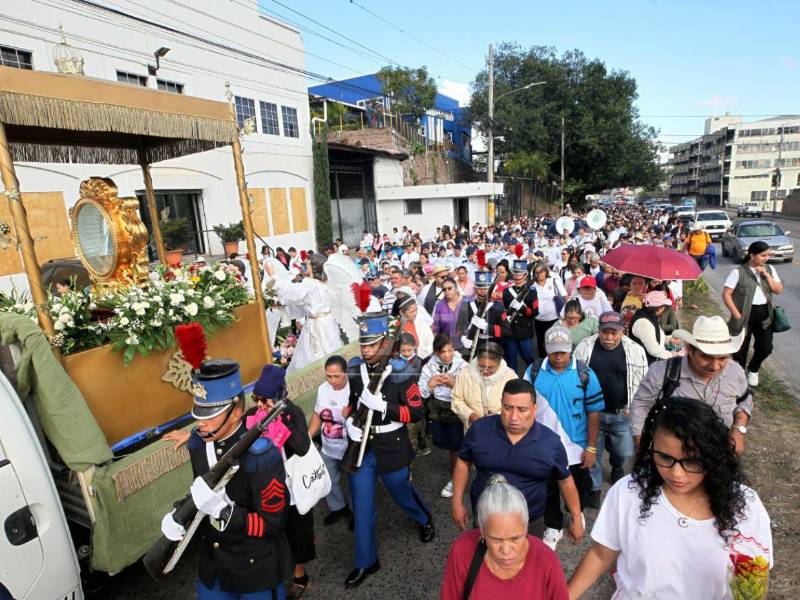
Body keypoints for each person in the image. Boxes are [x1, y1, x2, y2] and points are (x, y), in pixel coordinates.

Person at [568, 398, 773, 599]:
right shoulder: (629, 492)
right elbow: (602, 554)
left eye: (691, 461)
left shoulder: (745, 506)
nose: (677, 474)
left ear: (714, 455)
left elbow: (755, 577)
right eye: (665, 458)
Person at [159, 356, 292, 599]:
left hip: (255, 564)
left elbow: (274, 523)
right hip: (215, 561)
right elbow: (202, 490)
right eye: (199, 415)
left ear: (236, 413)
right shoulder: (199, 444)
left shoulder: (260, 454)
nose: (201, 423)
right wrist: (180, 514)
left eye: (210, 416)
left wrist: (225, 512)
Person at [343, 312, 434, 588]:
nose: (367, 350)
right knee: (361, 505)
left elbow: (417, 412)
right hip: (363, 447)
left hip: (392, 445)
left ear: (384, 342)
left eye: (372, 344)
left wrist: (386, 408)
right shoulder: (355, 369)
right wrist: (348, 421)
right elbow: (351, 403)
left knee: (402, 493)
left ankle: (424, 519)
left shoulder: (401, 371)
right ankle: (365, 561)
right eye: (363, 344)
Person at [452, 379, 585, 541]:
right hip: (485, 518)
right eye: (508, 408)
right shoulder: (479, 430)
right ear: (501, 404)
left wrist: (576, 519)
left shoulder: (551, 443)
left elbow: (565, 481)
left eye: (522, 410)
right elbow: (463, 462)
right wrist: (457, 501)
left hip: (530, 523)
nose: (514, 417)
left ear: (535, 409)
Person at [524, 326, 604, 551]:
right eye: (554, 352)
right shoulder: (533, 372)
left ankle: (574, 513)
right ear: (546, 350)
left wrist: (591, 447)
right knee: (547, 489)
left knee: (576, 485)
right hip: (543, 447)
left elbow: (594, 411)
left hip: (575, 447)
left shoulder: (584, 373)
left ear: (571, 349)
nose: (559, 357)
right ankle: (553, 525)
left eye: (563, 352)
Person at [630, 315, 752, 455]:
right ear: (690, 350)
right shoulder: (662, 372)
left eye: (723, 358)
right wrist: (641, 443)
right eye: (706, 357)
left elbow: (744, 401)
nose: (715, 366)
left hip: (717, 453)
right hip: (671, 453)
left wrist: (738, 429)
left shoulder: (735, 373)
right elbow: (641, 404)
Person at [441, 475, 570, 600]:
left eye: (515, 538)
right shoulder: (462, 551)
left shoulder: (547, 562)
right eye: (496, 539)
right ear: (482, 531)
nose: (506, 551)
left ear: (526, 527)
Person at [246, 365, 315, 600]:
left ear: (278, 396)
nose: (259, 405)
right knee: (270, 534)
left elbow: (303, 447)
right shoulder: (252, 415)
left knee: (295, 533)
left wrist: (279, 421)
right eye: (256, 399)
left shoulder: (292, 413)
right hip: (265, 486)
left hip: (292, 486)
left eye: (264, 400)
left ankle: (300, 577)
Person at [573, 312, 648, 508]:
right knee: (592, 453)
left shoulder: (635, 350)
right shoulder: (585, 347)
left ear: (622, 331)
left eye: (614, 333)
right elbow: (574, 377)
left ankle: (616, 465)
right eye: (605, 332)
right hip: (592, 414)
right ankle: (595, 487)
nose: (609, 338)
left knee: (624, 452)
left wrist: (637, 410)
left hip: (621, 414)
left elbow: (644, 383)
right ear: (598, 330)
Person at [723, 240, 784, 387]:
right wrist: (736, 313)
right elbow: (726, 294)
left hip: (764, 314)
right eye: (763, 255)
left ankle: (753, 369)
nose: (766, 258)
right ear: (752, 255)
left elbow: (778, 290)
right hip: (743, 314)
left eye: (767, 255)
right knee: (740, 350)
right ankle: (738, 377)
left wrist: (767, 276)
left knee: (765, 348)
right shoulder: (738, 272)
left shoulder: (769, 269)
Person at [264, 258, 341, 375]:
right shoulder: (328, 283)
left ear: (313, 269)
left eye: (308, 265)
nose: (306, 268)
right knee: (331, 349)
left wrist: (274, 277)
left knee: (314, 354)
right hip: (329, 322)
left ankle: (315, 377)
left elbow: (291, 293)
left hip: (316, 324)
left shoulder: (311, 284)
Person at [419, 333, 468, 497]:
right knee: (442, 442)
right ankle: (460, 462)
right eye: (443, 352)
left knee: (456, 445)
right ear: (436, 353)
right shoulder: (429, 367)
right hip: (438, 410)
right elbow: (421, 393)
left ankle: (457, 477)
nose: (448, 355)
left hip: (456, 407)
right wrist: (430, 385)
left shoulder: (462, 365)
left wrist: (455, 384)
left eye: (450, 350)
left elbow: (471, 390)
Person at [308, 355, 353, 527]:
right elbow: (317, 414)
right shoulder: (323, 389)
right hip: (328, 447)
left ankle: (357, 514)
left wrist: (351, 416)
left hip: (350, 448)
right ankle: (338, 508)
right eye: (328, 376)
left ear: (346, 373)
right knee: (328, 480)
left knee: (355, 484)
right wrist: (308, 436)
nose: (332, 380)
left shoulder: (353, 389)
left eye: (336, 376)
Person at [451, 339, 517, 429]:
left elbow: (517, 405)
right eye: (481, 366)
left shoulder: (511, 377)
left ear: (499, 362)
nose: (485, 371)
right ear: (477, 360)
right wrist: (470, 415)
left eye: (491, 367)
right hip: (473, 429)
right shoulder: (465, 373)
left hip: (501, 430)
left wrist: (498, 416)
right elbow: (456, 399)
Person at [501, 259, 539, 372]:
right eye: (515, 274)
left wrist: (522, 308)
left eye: (520, 274)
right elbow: (505, 310)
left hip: (524, 330)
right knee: (511, 361)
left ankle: (533, 378)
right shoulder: (507, 291)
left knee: (528, 358)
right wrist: (506, 316)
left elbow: (535, 312)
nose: (517, 277)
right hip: (510, 331)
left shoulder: (531, 291)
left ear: (525, 274)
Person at [398, 332, 431, 457]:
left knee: (418, 424)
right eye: (403, 350)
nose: (406, 353)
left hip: (417, 398)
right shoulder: (395, 362)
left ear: (414, 347)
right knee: (410, 426)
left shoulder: (420, 362)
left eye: (409, 350)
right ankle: (417, 447)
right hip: (402, 399)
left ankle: (420, 446)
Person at [629, 290, 675, 364]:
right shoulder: (643, 322)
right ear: (659, 307)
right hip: (644, 365)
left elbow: (654, 335)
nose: (664, 309)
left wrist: (669, 340)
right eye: (664, 306)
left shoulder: (651, 317)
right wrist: (674, 355)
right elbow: (654, 350)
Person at [532, 263, 567, 358]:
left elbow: (564, 296)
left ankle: (554, 358)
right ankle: (543, 360)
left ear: (545, 272)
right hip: (538, 319)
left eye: (541, 271)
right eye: (537, 272)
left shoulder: (554, 281)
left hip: (553, 318)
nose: (539, 274)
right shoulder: (532, 285)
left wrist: (565, 313)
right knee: (541, 341)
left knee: (553, 341)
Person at [394, 290, 434, 359]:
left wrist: (419, 356)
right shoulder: (394, 326)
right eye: (411, 311)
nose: (415, 313)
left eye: (416, 310)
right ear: (401, 312)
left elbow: (431, 344)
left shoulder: (421, 323)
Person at [432, 276, 463, 341]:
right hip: (446, 344)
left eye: (449, 288)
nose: (447, 291)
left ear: (456, 288)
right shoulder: (439, 305)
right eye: (444, 289)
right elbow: (436, 327)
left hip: (465, 345)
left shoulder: (465, 303)